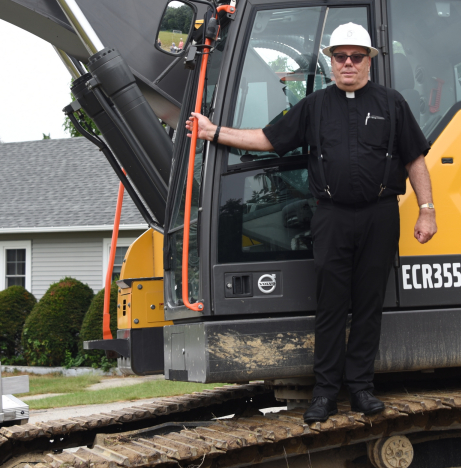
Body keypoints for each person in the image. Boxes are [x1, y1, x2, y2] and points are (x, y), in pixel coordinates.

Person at [185, 22, 437, 423]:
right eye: (340, 57)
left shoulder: (392, 104)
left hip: (381, 214)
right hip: (331, 216)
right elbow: (268, 139)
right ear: (331, 61)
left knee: (370, 304)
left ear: (369, 60)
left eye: (357, 56)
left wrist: (427, 210)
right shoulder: (315, 106)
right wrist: (214, 132)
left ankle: (361, 390)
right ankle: (323, 394)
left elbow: (415, 159)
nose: (348, 63)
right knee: (331, 306)